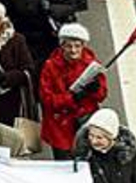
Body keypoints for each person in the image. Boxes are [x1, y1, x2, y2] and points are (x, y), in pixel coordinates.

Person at [39, 22, 108, 159]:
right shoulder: (50, 67)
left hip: (85, 124)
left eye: (77, 46)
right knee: (64, 167)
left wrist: (95, 90)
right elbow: (46, 99)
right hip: (60, 128)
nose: (73, 50)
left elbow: (102, 95)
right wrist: (71, 98)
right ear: (62, 46)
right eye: (69, 46)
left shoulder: (92, 66)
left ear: (83, 46)